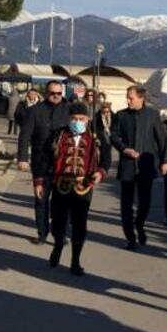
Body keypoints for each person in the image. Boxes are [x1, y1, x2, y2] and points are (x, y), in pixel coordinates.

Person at [39, 102, 105, 276]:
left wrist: (100, 173)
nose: (77, 122)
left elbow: (105, 160)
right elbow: (44, 158)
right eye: (74, 119)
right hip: (61, 185)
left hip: (83, 187)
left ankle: (75, 260)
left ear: (87, 119)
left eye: (81, 119)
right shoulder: (58, 134)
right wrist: (40, 182)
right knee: (58, 222)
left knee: (79, 225)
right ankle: (58, 246)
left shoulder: (95, 137)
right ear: (69, 118)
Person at [110, 85, 167, 249]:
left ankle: (139, 224)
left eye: (131, 98)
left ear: (141, 98)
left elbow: (162, 140)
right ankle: (130, 237)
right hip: (128, 165)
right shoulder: (121, 115)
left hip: (146, 166)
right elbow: (114, 136)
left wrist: (164, 161)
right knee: (126, 205)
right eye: (127, 97)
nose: (128, 100)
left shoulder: (152, 115)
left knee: (144, 202)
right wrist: (124, 148)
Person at [17, 80, 70, 243]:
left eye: (59, 93)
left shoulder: (69, 110)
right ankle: (42, 233)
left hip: (63, 164)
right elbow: (24, 135)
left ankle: (60, 233)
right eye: (53, 93)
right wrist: (22, 158)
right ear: (46, 93)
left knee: (62, 202)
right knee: (41, 199)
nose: (56, 96)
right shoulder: (34, 111)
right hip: (41, 163)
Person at [94, 101, 114, 174]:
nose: (106, 113)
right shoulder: (97, 116)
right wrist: (96, 137)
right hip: (101, 136)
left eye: (107, 111)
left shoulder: (113, 115)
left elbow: (114, 125)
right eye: (104, 111)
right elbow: (95, 127)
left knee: (107, 152)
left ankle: (106, 167)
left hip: (109, 135)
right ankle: (101, 167)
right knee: (101, 152)